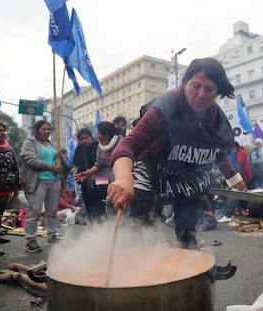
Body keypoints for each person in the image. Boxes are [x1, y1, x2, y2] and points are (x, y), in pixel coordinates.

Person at [108, 57, 247, 249]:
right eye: (195, 86)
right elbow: (128, 146)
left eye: (209, 89)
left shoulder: (216, 120)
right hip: (151, 171)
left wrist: (233, 178)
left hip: (187, 177)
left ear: (217, 92)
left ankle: (190, 273)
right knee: (140, 233)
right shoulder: (165, 107)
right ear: (184, 84)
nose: (201, 94)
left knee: (189, 235)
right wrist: (124, 178)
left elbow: (219, 152)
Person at [20, 120, 64, 253]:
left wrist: (61, 158)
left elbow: (61, 166)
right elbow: (32, 161)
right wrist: (52, 168)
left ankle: (51, 235)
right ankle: (30, 240)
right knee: (34, 211)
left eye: (49, 129)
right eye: (44, 129)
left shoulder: (54, 145)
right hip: (37, 181)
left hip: (54, 181)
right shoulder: (29, 143)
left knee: (52, 211)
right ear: (37, 130)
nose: (47, 131)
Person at [75, 121, 120, 222]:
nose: (97, 135)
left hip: (111, 179)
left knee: (106, 204)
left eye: (98, 133)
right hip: (89, 182)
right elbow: (98, 163)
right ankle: (95, 227)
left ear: (107, 135)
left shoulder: (120, 143)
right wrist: (86, 174)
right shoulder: (99, 147)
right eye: (81, 139)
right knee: (92, 205)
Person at [0, 122, 20, 257]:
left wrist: (15, 183)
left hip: (4, 189)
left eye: (4, 130)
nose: (2, 133)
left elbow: (15, 166)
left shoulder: (9, 148)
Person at [72, 128, 98, 224]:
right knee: (88, 204)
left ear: (91, 137)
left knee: (99, 204)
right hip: (85, 181)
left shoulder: (97, 147)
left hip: (99, 180)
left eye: (86, 138)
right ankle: (91, 224)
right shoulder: (78, 150)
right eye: (82, 139)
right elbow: (76, 163)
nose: (84, 141)